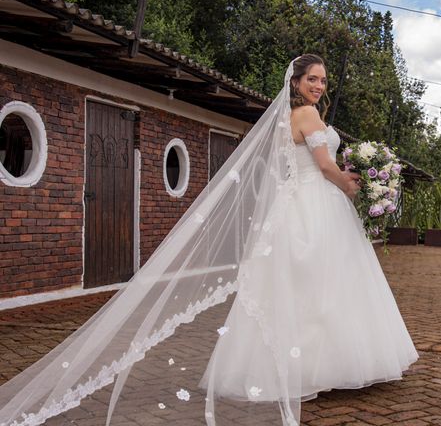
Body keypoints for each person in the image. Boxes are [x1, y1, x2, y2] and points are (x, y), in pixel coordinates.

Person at [0, 55, 417, 426]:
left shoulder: (300, 118)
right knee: (321, 284)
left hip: (308, 204)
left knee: (307, 285)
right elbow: (325, 166)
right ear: (296, 83)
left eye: (323, 80)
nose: (319, 86)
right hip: (315, 203)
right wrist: (348, 183)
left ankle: (310, 367)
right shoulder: (306, 115)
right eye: (313, 79)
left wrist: (354, 176)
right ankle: (322, 368)